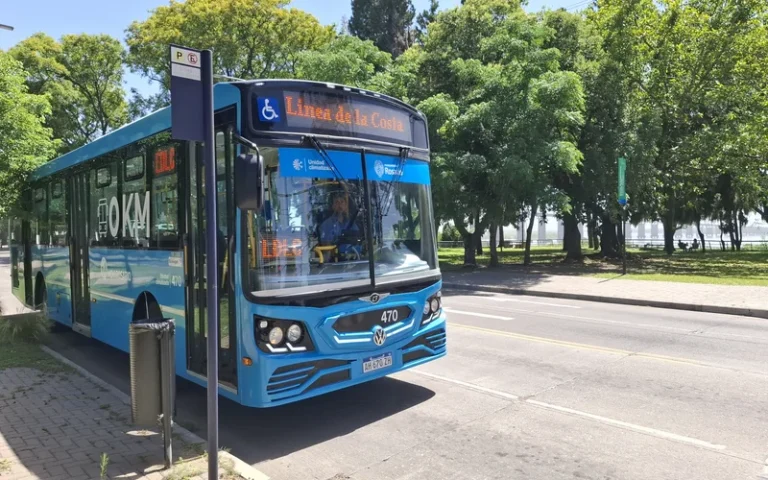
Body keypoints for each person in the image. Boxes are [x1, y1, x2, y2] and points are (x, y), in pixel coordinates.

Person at [319, 191, 360, 258]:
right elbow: (326, 246)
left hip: (352, 260)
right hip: (333, 261)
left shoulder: (351, 223)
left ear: (346, 206)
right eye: (337, 202)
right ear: (333, 206)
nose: (340, 205)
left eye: (342, 202)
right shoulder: (326, 224)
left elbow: (358, 240)